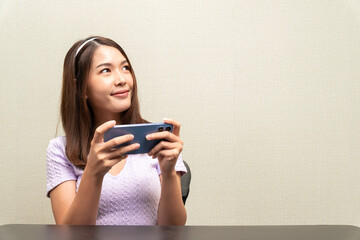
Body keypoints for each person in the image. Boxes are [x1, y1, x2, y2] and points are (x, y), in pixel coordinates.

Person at [46, 36, 187, 225]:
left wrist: (168, 172)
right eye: (106, 70)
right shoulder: (60, 150)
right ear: (81, 88)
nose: (122, 79)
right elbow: (69, 234)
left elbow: (174, 229)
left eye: (125, 68)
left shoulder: (159, 139)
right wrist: (93, 173)